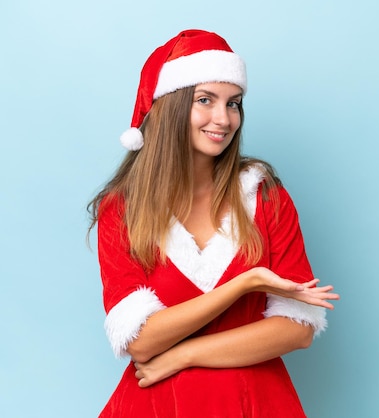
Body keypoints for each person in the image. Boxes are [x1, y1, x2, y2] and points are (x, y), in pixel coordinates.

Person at [87, 29, 339, 417]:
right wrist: (245, 282)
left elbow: (297, 327)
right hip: (157, 406)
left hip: (255, 403)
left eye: (234, 103)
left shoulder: (265, 197)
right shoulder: (121, 210)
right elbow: (140, 340)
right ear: (169, 107)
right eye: (205, 100)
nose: (224, 119)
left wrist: (183, 355)